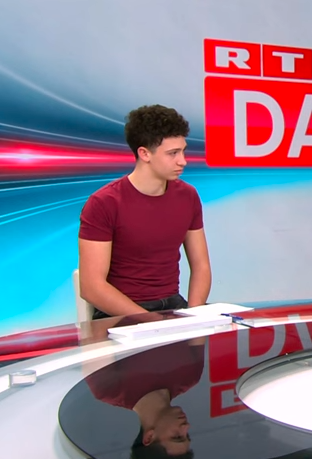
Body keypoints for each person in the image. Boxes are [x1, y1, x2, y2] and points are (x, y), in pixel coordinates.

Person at [78, 105, 212, 319]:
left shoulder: (188, 196)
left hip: (173, 306)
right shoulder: (104, 203)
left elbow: (201, 266)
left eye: (183, 151)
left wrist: (195, 316)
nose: (183, 161)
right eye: (173, 153)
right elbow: (92, 287)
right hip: (120, 314)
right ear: (144, 153)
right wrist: (151, 322)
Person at [85, 338, 205, 459]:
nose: (186, 427)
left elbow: (95, 331)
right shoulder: (191, 376)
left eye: (177, 437)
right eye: (187, 435)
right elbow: (200, 327)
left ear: (149, 437)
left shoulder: (108, 389)